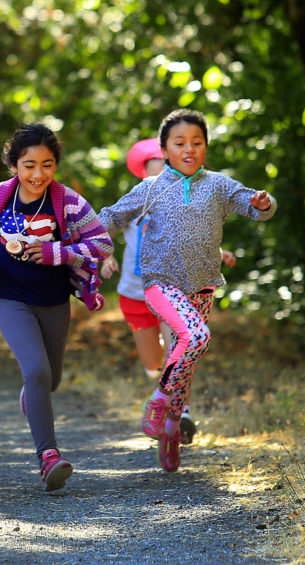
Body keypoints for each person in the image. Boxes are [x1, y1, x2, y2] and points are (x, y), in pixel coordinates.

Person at [98, 109, 276, 473]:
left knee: (188, 365)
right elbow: (111, 217)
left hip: (203, 286)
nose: (189, 149)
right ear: (164, 150)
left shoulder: (219, 185)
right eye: (180, 143)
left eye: (197, 142)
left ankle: (171, 432)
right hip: (161, 282)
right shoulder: (151, 188)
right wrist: (78, 240)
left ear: (206, 147)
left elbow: (255, 207)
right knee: (195, 338)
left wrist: (264, 204)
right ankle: (158, 400)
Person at [0, 123, 112, 491]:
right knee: (35, 371)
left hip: (53, 299)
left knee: (50, 380)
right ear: (15, 165)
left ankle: (32, 397)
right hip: (9, 296)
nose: (38, 174)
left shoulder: (68, 202)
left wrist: (60, 252)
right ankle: (49, 456)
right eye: (29, 165)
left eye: (47, 165)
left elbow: (102, 244)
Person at [100, 138, 236, 445]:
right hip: (134, 293)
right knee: (152, 361)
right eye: (156, 169)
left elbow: (195, 237)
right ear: (145, 174)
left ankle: (179, 412)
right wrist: (106, 257)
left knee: (182, 343)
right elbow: (107, 229)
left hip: (172, 289)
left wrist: (219, 252)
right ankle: (159, 379)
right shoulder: (140, 198)